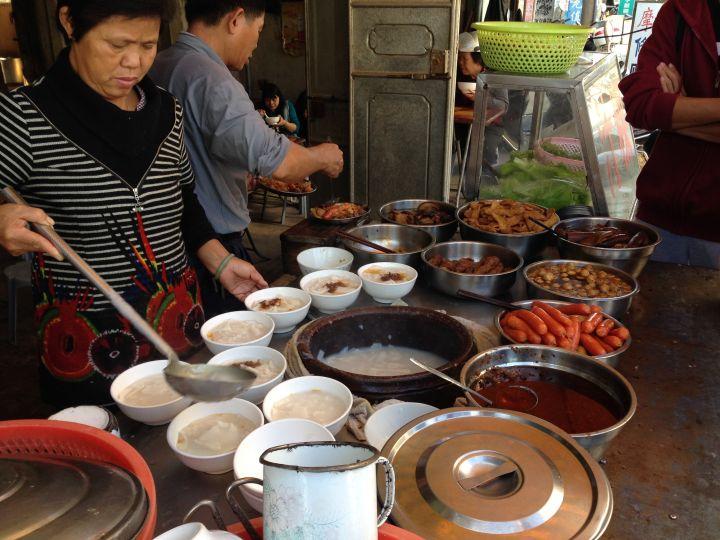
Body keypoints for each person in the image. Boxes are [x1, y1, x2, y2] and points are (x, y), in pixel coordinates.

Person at [0, 0, 267, 407]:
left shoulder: (166, 110)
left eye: (147, 45)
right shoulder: (26, 117)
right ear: (70, 21)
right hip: (90, 353)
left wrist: (222, 262)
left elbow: (181, 199)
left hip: (181, 329)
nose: (134, 62)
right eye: (117, 44)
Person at [150, 0, 343, 316]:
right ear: (236, 19)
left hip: (174, 239)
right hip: (210, 244)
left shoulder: (163, 62)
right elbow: (279, 162)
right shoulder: (212, 79)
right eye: (260, 29)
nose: (257, 43)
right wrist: (324, 156)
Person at [618, 0, 720, 269]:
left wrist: (678, 110)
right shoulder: (680, 12)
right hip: (657, 222)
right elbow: (640, 104)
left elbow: (657, 111)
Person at [456, 31, 509, 199]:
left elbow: (503, 104)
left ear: (478, 59)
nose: (461, 64)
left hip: (492, 128)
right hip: (469, 124)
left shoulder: (493, 76)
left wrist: (481, 95)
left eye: (465, 59)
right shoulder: (463, 76)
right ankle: (468, 193)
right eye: (460, 59)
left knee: (485, 165)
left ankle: (486, 196)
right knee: (465, 160)